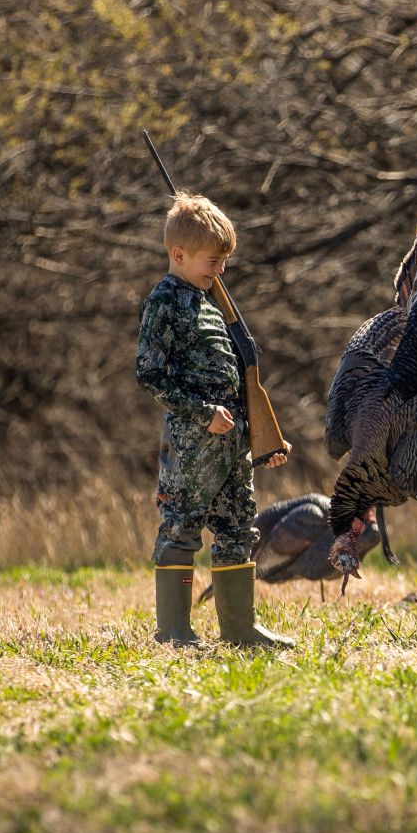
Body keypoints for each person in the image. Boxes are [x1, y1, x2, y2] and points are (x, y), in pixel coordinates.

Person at [135, 193, 293, 648]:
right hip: (192, 441)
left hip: (231, 441)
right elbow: (149, 373)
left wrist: (261, 439)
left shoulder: (208, 302)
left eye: (224, 261)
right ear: (178, 255)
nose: (220, 270)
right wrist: (204, 414)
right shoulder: (166, 300)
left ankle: (241, 631)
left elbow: (238, 378)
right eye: (213, 261)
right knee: (181, 525)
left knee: (238, 527)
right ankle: (174, 632)